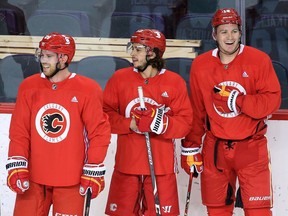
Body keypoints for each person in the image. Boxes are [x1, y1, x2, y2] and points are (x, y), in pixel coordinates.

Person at [181, 8, 281, 216]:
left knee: (259, 212)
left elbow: (271, 101)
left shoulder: (259, 60)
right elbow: (198, 109)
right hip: (215, 149)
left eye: (234, 31)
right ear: (214, 35)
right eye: (224, 31)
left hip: (251, 147)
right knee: (217, 211)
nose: (229, 37)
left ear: (240, 33)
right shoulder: (201, 65)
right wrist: (190, 147)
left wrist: (237, 100)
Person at [5, 32, 111, 216]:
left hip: (72, 180)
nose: (43, 60)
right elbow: (19, 131)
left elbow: (99, 133)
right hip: (33, 179)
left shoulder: (88, 89)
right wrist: (17, 163)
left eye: (49, 56)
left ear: (64, 58)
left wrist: (93, 168)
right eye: (42, 55)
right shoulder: (29, 86)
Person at [103, 28, 193, 215]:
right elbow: (104, 116)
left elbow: (185, 123)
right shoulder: (120, 79)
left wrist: (160, 124)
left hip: (161, 168)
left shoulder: (174, 82)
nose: (132, 54)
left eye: (138, 49)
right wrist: (130, 124)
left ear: (152, 52)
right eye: (132, 48)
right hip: (126, 165)